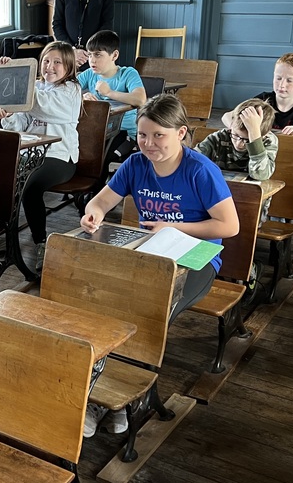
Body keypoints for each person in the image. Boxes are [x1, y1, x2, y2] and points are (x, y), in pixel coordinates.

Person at [81, 94, 239, 436]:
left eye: (158, 135)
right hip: (152, 254)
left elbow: (229, 226)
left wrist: (174, 227)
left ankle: (123, 401)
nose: (148, 143)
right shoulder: (135, 165)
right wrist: (94, 213)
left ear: (181, 133)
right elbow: (102, 201)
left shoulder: (200, 170)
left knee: (149, 315)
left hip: (197, 258)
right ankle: (105, 395)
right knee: (104, 302)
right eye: (142, 135)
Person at [0, 41, 83, 268]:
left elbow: (43, 106)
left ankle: (40, 241)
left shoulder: (72, 90)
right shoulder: (36, 86)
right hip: (30, 153)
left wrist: (14, 76)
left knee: (29, 185)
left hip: (60, 157)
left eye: (57, 62)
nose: (49, 66)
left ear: (69, 67)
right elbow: (20, 125)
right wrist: (8, 114)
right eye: (46, 61)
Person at [78, 29, 146, 158]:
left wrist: (109, 92)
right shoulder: (89, 74)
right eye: (90, 55)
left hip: (124, 132)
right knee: (78, 151)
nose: (92, 60)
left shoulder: (128, 73)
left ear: (114, 55)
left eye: (98, 55)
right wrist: (81, 97)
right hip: (96, 131)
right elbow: (67, 92)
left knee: (102, 158)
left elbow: (140, 99)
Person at [199, 98, 278, 182]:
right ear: (231, 126)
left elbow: (260, 175)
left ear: (264, 136)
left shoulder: (268, 141)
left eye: (247, 140)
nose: (239, 144)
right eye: (236, 135)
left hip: (250, 189)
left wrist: (255, 137)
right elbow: (193, 161)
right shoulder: (219, 137)